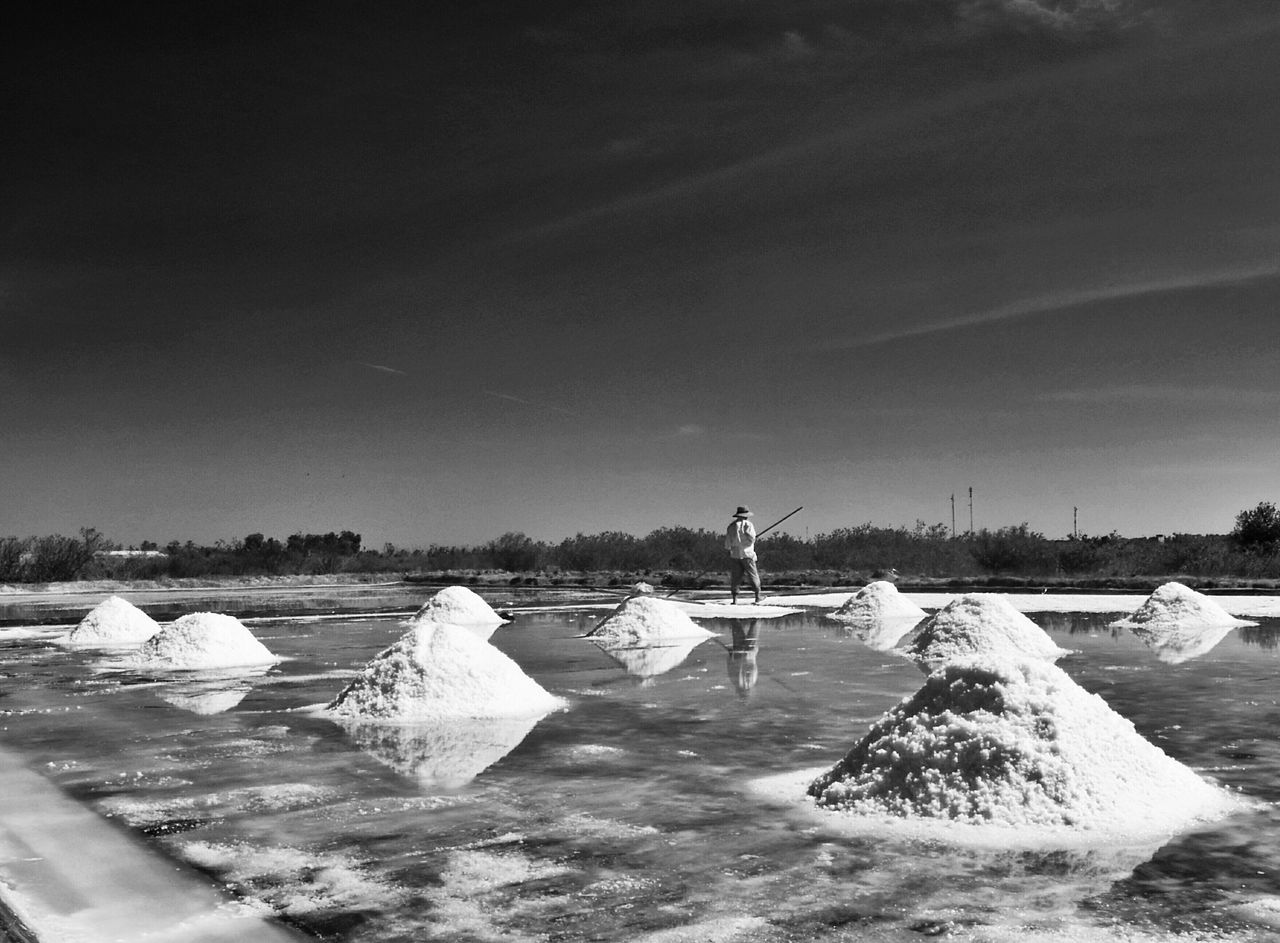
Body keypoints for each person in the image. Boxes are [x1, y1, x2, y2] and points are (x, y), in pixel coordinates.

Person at [724, 505, 761, 605]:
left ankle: (735, 600)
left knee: (736, 577)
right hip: (747, 554)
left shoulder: (731, 526)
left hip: (735, 555)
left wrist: (728, 551)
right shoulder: (748, 525)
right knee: (753, 575)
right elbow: (752, 538)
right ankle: (758, 597)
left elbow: (727, 543)